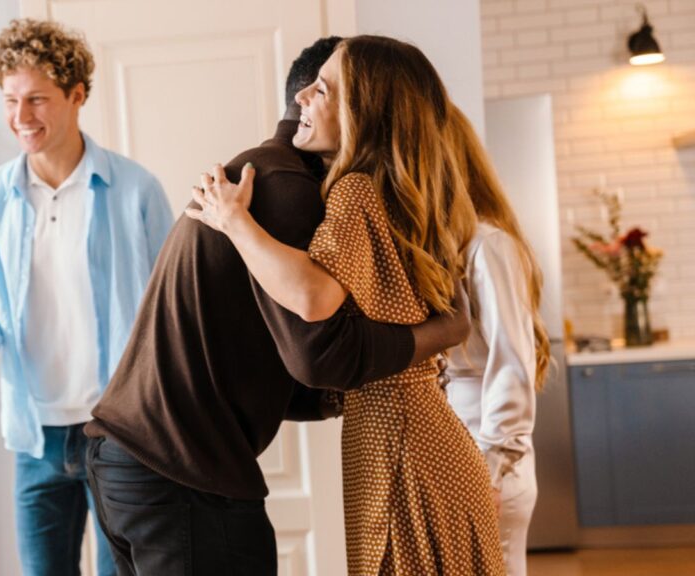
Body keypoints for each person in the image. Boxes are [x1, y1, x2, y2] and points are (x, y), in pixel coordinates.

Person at [85, 36, 473, 575]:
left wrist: (338, 396)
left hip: (137, 460)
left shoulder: (281, 181)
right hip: (179, 471)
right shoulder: (286, 190)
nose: (304, 102)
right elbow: (320, 352)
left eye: (324, 90)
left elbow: (257, 351)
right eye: (313, 88)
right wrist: (442, 333)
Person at [189, 36, 506, 574]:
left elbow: (314, 297)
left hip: (398, 442)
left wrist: (234, 221)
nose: (302, 100)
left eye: (323, 90)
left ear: (366, 109)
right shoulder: (409, 191)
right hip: (431, 437)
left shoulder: (356, 190)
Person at [0, 19, 173, 576]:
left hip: (121, 429)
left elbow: (169, 309)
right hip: (35, 434)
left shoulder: (136, 190)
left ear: (77, 96)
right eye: (9, 100)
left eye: (36, 99)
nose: (21, 117)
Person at [443, 105, 549, 576]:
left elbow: (511, 367)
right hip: (463, 457)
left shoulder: (488, 245)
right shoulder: (450, 246)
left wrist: (486, 471)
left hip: (490, 466)